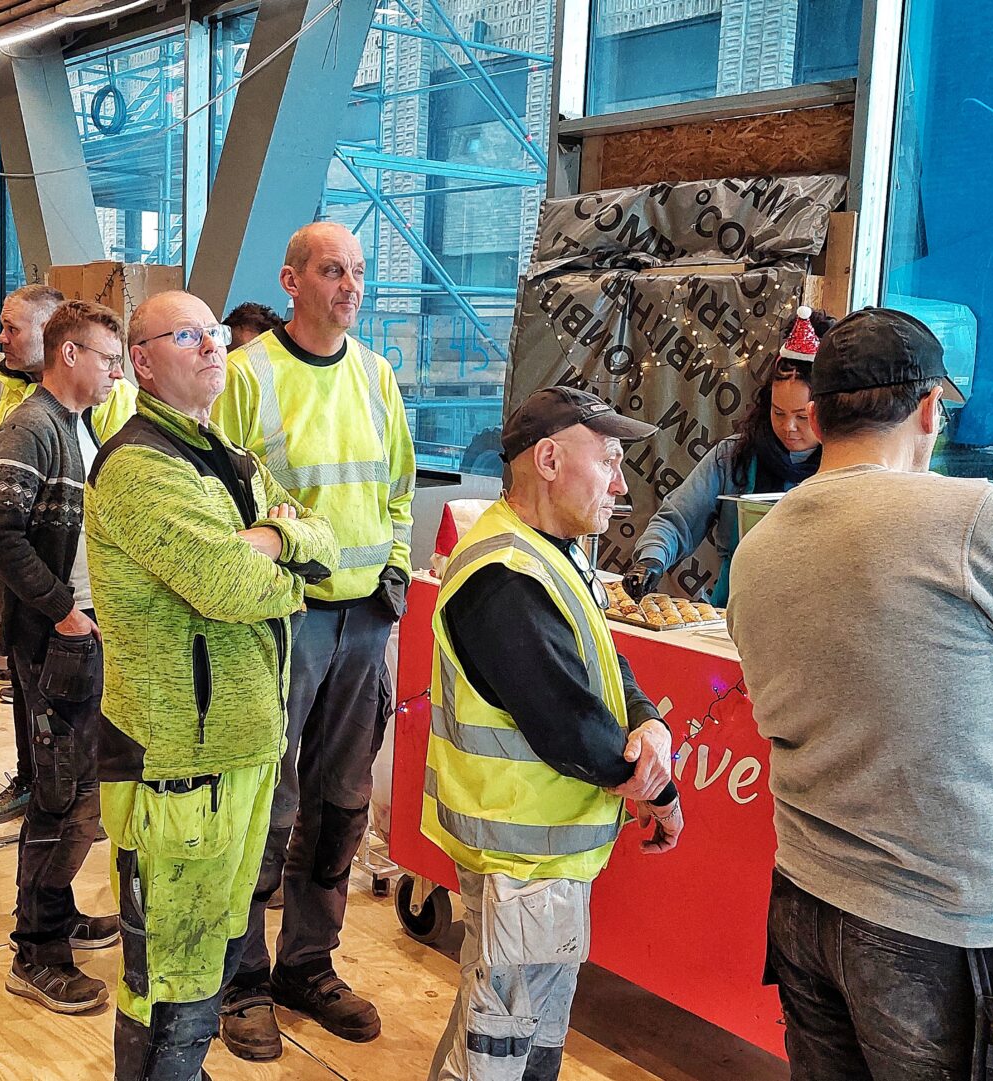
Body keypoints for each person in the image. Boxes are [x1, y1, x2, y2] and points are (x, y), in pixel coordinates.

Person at [726, 308, 993, 1080]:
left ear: (816, 416)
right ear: (927, 408)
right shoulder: (970, 518)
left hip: (805, 902)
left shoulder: (758, 548)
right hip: (942, 924)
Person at [85, 289, 338, 1081]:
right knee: (167, 973)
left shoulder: (225, 455)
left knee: (213, 952)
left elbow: (324, 538)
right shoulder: (137, 465)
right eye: (187, 335)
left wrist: (275, 537)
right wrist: (283, 564)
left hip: (238, 748)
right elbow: (229, 585)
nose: (211, 348)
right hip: (176, 766)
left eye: (217, 335)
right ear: (142, 361)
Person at [424, 386, 683, 1081]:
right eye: (608, 461)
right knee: (496, 1053)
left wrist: (648, 720)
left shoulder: (550, 551)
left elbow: (601, 660)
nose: (622, 483)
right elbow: (569, 724)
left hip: (542, 864)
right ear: (546, 459)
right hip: (521, 866)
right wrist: (656, 787)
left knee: (519, 1040)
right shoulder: (505, 576)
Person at [210, 221, 416, 1059]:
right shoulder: (245, 377)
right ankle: (240, 976)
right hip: (282, 621)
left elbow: (398, 490)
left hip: (363, 621)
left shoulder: (376, 376)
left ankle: (308, 961)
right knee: (264, 802)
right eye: (334, 270)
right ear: (292, 280)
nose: (351, 285)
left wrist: (392, 580)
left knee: (340, 802)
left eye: (359, 271)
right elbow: (218, 503)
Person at [0, 299, 132, 1012]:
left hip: (86, 636)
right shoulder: (30, 426)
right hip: (58, 643)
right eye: (105, 357)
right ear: (68, 354)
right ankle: (36, 951)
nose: (114, 370)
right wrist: (63, 612)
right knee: (60, 801)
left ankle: (57, 909)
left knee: (85, 799)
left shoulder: (77, 425)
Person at [627, 310, 829, 605]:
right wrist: (651, 558)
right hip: (731, 614)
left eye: (802, 416)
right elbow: (678, 519)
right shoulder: (734, 456)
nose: (789, 427)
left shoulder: (842, 465)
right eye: (778, 412)